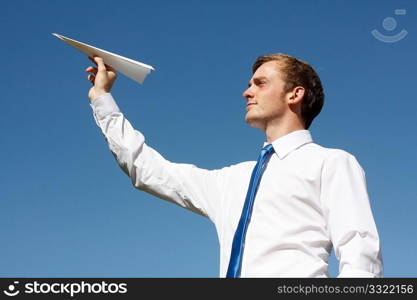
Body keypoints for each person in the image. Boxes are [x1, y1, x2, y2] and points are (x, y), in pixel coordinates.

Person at [85, 54, 383, 277]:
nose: (247, 92)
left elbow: (360, 256)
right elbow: (147, 169)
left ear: (295, 94)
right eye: (249, 84)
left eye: (260, 83)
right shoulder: (230, 180)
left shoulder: (331, 163)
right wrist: (102, 98)